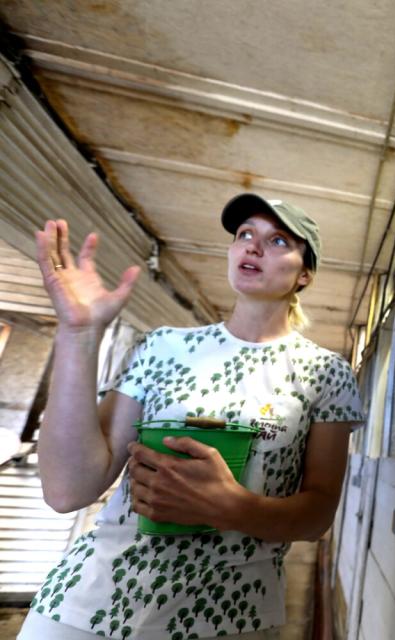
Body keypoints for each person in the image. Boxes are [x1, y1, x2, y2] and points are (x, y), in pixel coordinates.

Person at [18, 194, 364, 640]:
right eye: (245, 235)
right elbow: (68, 490)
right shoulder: (161, 346)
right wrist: (79, 333)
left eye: (278, 240)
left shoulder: (326, 372)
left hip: (230, 614)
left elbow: (317, 514)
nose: (253, 247)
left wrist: (233, 507)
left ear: (305, 274)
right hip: (91, 603)